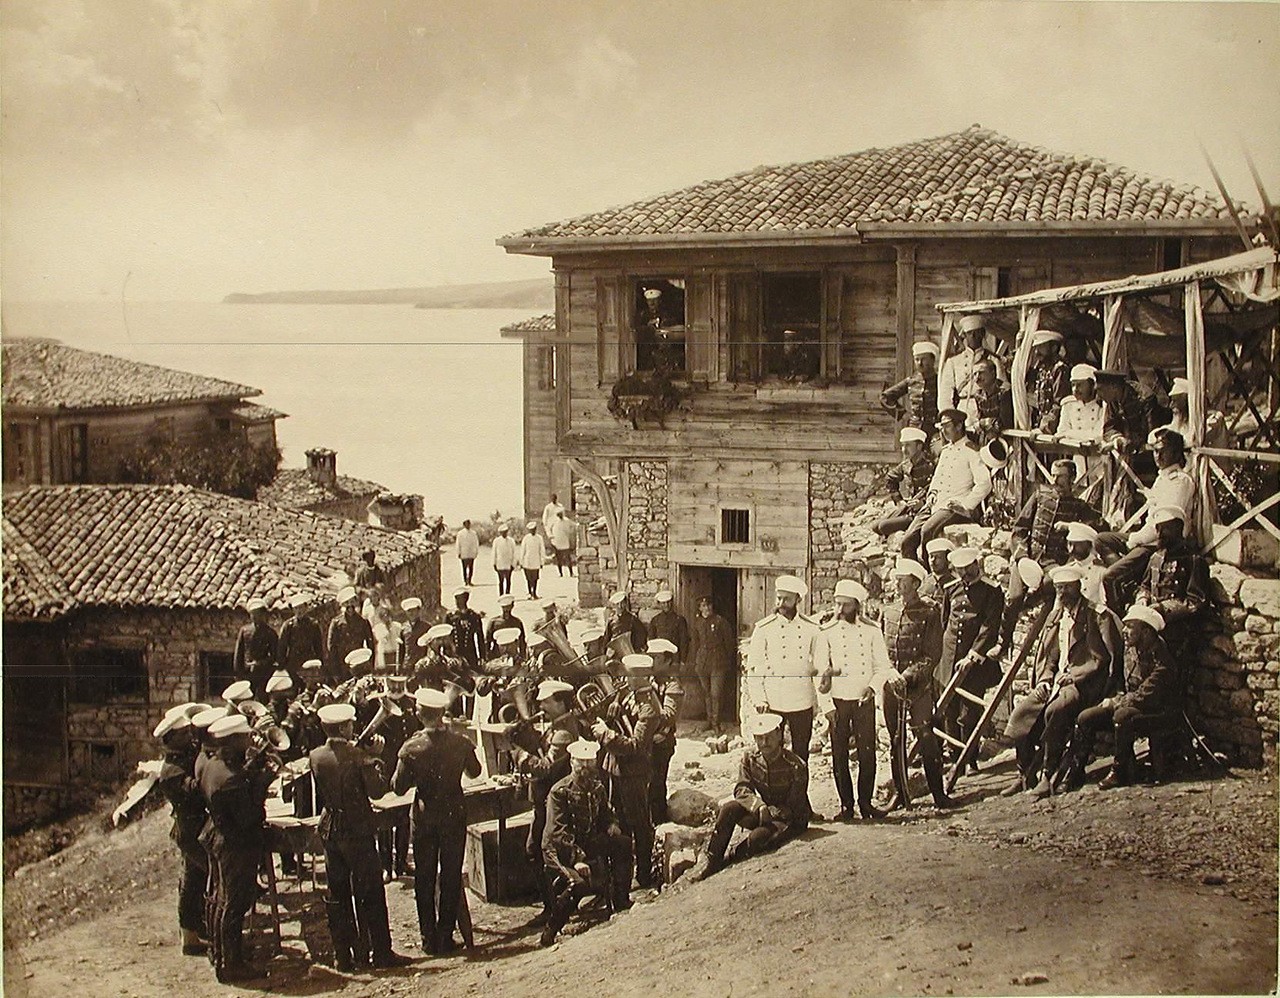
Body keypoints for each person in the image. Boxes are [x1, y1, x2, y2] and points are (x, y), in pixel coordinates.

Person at [309, 703, 409, 971]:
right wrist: (375, 757)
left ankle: (343, 956)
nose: (355, 726)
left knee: (338, 893)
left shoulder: (316, 755)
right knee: (370, 892)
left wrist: (358, 753)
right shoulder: (357, 757)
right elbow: (377, 792)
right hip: (357, 829)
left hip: (330, 828)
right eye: (351, 724)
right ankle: (381, 953)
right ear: (343, 727)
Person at [1001, 566, 1114, 798]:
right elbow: (1050, 655)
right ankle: (1024, 774)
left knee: (1057, 709)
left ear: (1077, 588)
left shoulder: (1095, 615)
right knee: (1022, 711)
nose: (1061, 593)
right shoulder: (1056, 616)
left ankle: (1047, 773)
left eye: (1066, 588)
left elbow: (1101, 659)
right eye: (1058, 588)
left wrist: (1074, 675)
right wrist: (1045, 679)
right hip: (1055, 682)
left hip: (1083, 683)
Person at [391, 687, 482, 955]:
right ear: (442, 713)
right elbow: (475, 773)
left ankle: (428, 939)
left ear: (420, 714)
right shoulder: (461, 742)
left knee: (425, 877)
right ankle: (445, 937)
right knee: (452, 876)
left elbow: (398, 787)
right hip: (454, 814)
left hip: (425, 817)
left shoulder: (411, 747)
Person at [686, 712, 810, 882]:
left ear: (779, 734)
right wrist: (757, 805)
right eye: (759, 738)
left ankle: (732, 855)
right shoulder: (750, 758)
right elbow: (742, 789)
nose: (764, 743)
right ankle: (713, 861)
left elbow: (793, 805)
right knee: (729, 808)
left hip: (789, 820)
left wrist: (771, 812)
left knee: (757, 838)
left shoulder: (796, 765)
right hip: (764, 811)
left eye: (768, 737)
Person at [1067, 605, 1181, 790]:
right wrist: (1117, 696)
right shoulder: (1132, 650)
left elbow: (1145, 696)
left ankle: (1119, 772)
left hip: (1157, 711)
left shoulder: (1162, 660)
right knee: (1086, 717)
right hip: (1131, 705)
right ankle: (1075, 772)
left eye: (1130, 627)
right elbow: (1121, 679)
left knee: (1122, 716)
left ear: (1145, 631)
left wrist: (1115, 702)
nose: (1125, 631)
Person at [198, 712, 275, 983]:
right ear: (231, 742)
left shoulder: (214, 764)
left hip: (218, 836)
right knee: (234, 904)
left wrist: (249, 772)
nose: (249, 739)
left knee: (219, 898)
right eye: (244, 737)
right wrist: (261, 784)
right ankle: (231, 964)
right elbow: (249, 816)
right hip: (235, 845)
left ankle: (219, 954)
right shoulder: (230, 778)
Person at [540, 739, 635, 945]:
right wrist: (577, 859)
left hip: (586, 841)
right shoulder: (559, 792)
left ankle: (621, 901)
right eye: (580, 763)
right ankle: (550, 932)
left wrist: (611, 824)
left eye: (590, 763)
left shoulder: (597, 787)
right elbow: (558, 831)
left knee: (623, 843)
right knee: (578, 884)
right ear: (571, 763)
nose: (585, 768)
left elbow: (605, 815)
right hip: (559, 849)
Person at [815, 580, 894, 821]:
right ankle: (846, 806)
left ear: (857, 606)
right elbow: (820, 672)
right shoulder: (825, 632)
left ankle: (866, 803)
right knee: (839, 754)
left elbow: (883, 666)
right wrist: (826, 706)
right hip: (838, 701)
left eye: (845, 606)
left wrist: (872, 687)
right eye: (837, 604)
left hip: (863, 699)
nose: (839, 610)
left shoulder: (871, 631)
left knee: (867, 752)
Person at [881, 559, 954, 810]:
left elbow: (932, 654)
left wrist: (909, 676)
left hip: (918, 688)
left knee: (926, 738)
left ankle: (939, 795)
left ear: (915, 583)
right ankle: (901, 794)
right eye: (896, 580)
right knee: (896, 740)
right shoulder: (888, 611)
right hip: (891, 687)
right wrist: (890, 674)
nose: (897, 584)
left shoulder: (930, 612)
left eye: (903, 580)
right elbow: (881, 651)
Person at [1100, 427, 1197, 610]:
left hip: (1160, 542)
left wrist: (1136, 539)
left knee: (1109, 577)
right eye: (1155, 451)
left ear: (1176, 453)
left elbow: (1165, 523)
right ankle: (1134, 581)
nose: (1157, 456)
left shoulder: (1180, 480)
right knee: (1101, 540)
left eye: (1162, 451)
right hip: (1147, 536)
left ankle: (1120, 615)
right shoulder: (1163, 478)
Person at [590, 653, 661, 889]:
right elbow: (620, 710)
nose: (625, 679)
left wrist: (605, 734)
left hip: (633, 773)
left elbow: (635, 746)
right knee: (619, 822)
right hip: (616, 769)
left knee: (639, 824)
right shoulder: (630, 694)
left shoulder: (650, 708)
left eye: (629, 675)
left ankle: (643, 875)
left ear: (641, 676)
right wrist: (613, 705)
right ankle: (622, 876)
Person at [936, 548, 1004, 766]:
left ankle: (970, 758)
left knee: (968, 713)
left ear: (976, 564)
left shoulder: (991, 591)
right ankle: (955, 757)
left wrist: (973, 655)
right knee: (949, 709)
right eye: (960, 570)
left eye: (968, 568)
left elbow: (990, 626)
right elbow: (945, 621)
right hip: (949, 657)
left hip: (974, 662)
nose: (964, 573)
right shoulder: (950, 589)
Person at [746, 574, 819, 767]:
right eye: (779, 598)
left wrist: (822, 701)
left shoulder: (811, 629)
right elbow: (754, 667)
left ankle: (800, 796)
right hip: (773, 700)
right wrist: (759, 698)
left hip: (801, 701)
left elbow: (819, 668)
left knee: (801, 754)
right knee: (771, 752)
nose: (781, 603)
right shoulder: (763, 628)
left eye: (786, 599)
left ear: (798, 599)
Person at [900, 409, 992, 563]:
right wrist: (931, 495)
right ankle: (917, 575)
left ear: (959, 426)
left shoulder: (971, 450)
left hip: (954, 506)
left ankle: (932, 575)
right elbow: (937, 478)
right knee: (907, 541)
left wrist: (966, 506)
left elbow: (984, 483)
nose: (943, 431)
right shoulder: (946, 451)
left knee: (927, 531)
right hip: (935, 504)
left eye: (947, 426)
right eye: (941, 427)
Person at [154, 708, 209, 956]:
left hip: (195, 828)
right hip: (189, 831)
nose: (191, 735)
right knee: (193, 882)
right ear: (171, 739)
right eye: (184, 732)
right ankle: (190, 936)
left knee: (195, 879)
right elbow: (196, 790)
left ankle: (195, 931)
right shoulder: (171, 773)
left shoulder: (182, 758)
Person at [1132, 504, 1209, 657]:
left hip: (1179, 633)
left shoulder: (1193, 560)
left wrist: (1162, 608)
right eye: (1158, 529)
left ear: (1178, 529)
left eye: (1165, 529)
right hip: (1153, 630)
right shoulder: (1155, 558)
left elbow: (1196, 601)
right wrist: (1142, 598)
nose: (1160, 534)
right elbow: (1145, 585)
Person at [1012, 458, 1104, 566]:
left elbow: (1100, 528)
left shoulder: (1079, 506)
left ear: (1072, 478)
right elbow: (1019, 529)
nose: (1055, 481)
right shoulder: (1039, 497)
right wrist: (1022, 556)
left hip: (1057, 563)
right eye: (1053, 475)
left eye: (1060, 476)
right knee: (1016, 572)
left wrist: (1071, 526)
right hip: (1031, 559)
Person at [646, 638, 684, 824]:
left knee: (656, 786)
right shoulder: (647, 680)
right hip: (644, 741)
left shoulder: (673, 686)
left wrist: (647, 692)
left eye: (656, 658)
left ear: (668, 661)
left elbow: (667, 716)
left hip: (662, 746)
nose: (650, 661)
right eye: (650, 657)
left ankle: (660, 825)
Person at [873, 427, 936, 538]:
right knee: (875, 526)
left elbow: (938, 489)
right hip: (909, 508)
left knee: (883, 526)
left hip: (924, 511)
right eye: (902, 445)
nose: (904, 449)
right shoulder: (906, 464)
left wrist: (923, 503)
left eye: (908, 445)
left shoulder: (931, 465)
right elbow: (890, 478)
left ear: (919, 446)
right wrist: (899, 500)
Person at [939, 314, 1005, 413]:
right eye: (969, 333)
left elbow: (1003, 387)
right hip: (963, 410)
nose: (973, 336)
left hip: (988, 409)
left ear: (983, 334)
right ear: (964, 336)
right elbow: (945, 394)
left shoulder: (993, 360)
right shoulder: (953, 362)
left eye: (977, 332)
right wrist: (950, 415)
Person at [689, 596, 736, 734]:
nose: (707, 608)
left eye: (709, 605)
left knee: (716, 693)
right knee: (706, 693)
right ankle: (709, 721)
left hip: (718, 661)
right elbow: (695, 643)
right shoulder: (697, 623)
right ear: (700, 608)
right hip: (703, 662)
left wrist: (726, 660)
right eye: (703, 606)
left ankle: (716, 722)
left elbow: (729, 643)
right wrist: (696, 661)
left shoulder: (720, 622)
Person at [881, 340, 940, 437]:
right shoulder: (911, 381)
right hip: (915, 428)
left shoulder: (940, 381)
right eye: (917, 359)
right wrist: (903, 414)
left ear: (933, 360)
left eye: (924, 359)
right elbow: (885, 397)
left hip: (935, 430)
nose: (920, 363)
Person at [327, 587, 375, 687]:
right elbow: (332, 648)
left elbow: (371, 644)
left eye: (352, 601)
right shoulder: (336, 623)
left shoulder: (363, 622)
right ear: (342, 605)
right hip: (343, 665)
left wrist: (371, 664)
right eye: (346, 603)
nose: (350, 605)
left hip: (359, 663)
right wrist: (335, 670)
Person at [233, 598, 279, 700]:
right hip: (247, 673)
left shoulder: (270, 633)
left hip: (264, 673)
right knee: (246, 700)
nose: (255, 617)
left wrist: (260, 663)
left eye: (258, 614)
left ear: (263, 615)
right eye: (253, 614)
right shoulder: (245, 631)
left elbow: (275, 656)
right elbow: (239, 654)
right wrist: (238, 674)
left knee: (263, 700)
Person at [1026, 328, 1070, 433]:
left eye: (1041, 347)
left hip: (1055, 428)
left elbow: (1059, 403)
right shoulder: (1042, 370)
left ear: (1054, 348)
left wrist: (1046, 427)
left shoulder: (1060, 369)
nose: (1036, 352)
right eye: (1036, 348)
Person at [277, 593, 324, 690]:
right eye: (296, 608)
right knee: (295, 689)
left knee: (310, 688)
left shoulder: (313, 624)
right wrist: (283, 665)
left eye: (301, 608)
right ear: (293, 610)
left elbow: (318, 646)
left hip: (309, 662)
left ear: (306, 608)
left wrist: (319, 662)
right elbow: (282, 647)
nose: (299, 611)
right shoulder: (288, 626)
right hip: (293, 664)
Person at [965, 357, 1014, 443]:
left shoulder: (1004, 392)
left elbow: (1005, 423)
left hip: (1007, 440)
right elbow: (980, 420)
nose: (977, 378)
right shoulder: (978, 395)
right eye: (975, 374)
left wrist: (984, 423)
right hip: (988, 439)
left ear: (993, 373)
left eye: (981, 373)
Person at [445, 588, 485, 670]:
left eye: (460, 599)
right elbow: (445, 637)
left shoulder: (473, 616)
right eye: (456, 599)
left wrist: (482, 657)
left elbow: (480, 638)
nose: (457, 602)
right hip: (454, 654)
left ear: (466, 599)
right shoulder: (450, 616)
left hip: (470, 653)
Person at [647, 590, 690, 666]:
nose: (666, 605)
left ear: (671, 603)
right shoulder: (655, 620)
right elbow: (651, 640)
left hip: (675, 658)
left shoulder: (679, 620)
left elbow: (684, 641)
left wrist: (683, 660)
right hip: (660, 657)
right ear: (659, 604)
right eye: (663, 603)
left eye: (668, 602)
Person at [602, 591, 648, 658]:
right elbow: (606, 638)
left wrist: (635, 648)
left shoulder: (633, 619)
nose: (620, 606)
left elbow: (642, 635)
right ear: (614, 605)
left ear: (625, 603)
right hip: (615, 654)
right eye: (618, 604)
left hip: (630, 653)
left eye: (622, 603)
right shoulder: (611, 620)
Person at [484, 593, 527, 659]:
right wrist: (487, 657)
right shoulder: (493, 622)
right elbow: (487, 641)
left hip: (513, 656)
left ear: (512, 606)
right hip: (497, 655)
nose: (506, 610)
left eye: (508, 607)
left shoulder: (517, 622)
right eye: (504, 608)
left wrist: (523, 656)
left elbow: (522, 642)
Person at [519, 521, 544, 599]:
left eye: (534, 529)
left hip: (536, 561)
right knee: (528, 579)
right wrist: (521, 561)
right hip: (527, 561)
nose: (532, 531)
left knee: (535, 578)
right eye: (531, 530)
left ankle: (535, 593)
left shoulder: (539, 538)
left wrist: (542, 561)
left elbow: (542, 550)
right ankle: (529, 592)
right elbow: (523, 550)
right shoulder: (526, 538)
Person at [492, 523, 518, 597]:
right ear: (500, 533)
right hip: (500, 564)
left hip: (508, 564)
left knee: (508, 580)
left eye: (506, 532)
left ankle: (507, 594)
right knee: (501, 581)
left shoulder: (511, 541)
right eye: (503, 532)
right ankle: (501, 595)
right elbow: (494, 553)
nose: (505, 533)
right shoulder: (496, 541)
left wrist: (513, 564)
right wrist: (494, 563)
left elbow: (514, 553)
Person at [550, 511, 578, 577]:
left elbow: (574, 525)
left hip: (565, 542)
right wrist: (552, 537)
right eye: (558, 515)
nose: (560, 516)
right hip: (557, 543)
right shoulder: (554, 521)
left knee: (568, 558)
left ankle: (571, 573)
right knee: (559, 559)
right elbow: (549, 529)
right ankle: (560, 573)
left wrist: (571, 532)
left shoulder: (567, 521)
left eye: (561, 514)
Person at [455, 520, 480, 587]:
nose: (468, 525)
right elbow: (458, 543)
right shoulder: (460, 533)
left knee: (471, 567)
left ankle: (470, 580)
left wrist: (476, 552)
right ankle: (465, 581)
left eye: (469, 524)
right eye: (466, 524)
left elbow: (476, 543)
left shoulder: (473, 533)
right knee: (464, 568)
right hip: (464, 553)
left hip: (471, 553)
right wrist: (458, 552)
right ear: (464, 525)